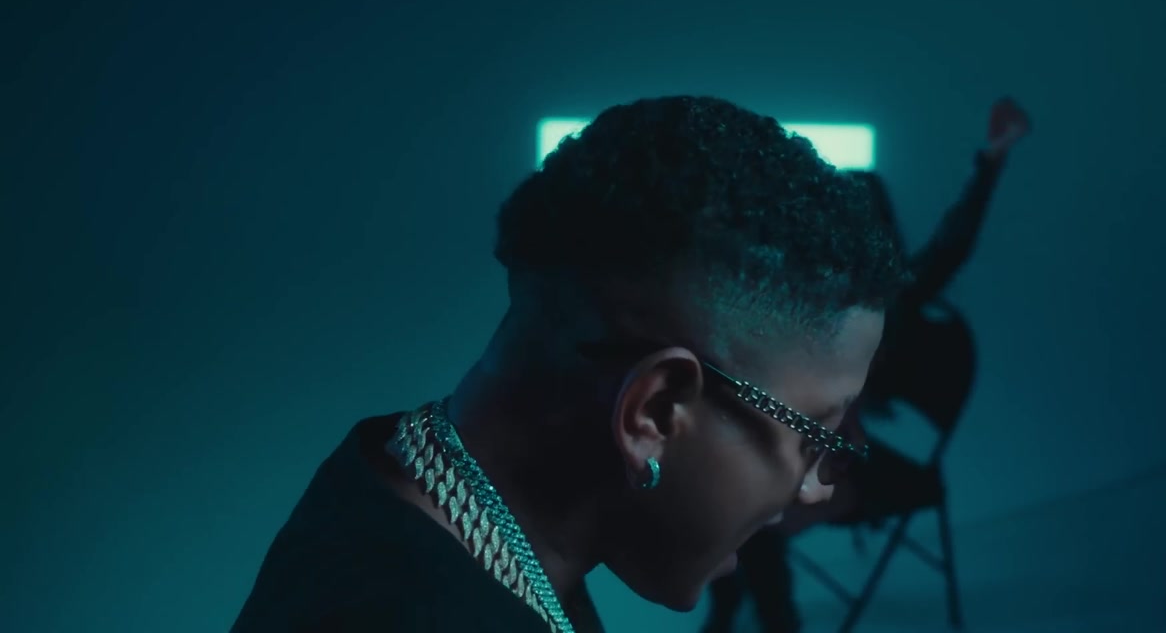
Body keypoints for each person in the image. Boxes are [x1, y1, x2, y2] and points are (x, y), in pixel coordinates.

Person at [230, 95, 911, 632]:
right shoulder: (399, 611)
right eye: (815, 435)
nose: (816, 489)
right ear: (655, 412)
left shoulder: (405, 492)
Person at [701, 97, 1032, 633]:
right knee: (727, 490)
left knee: (750, 510)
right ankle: (735, 613)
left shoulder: (889, 295)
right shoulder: (808, 298)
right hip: (813, 449)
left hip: (855, 466)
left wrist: (991, 161)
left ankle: (772, 622)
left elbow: (952, 245)